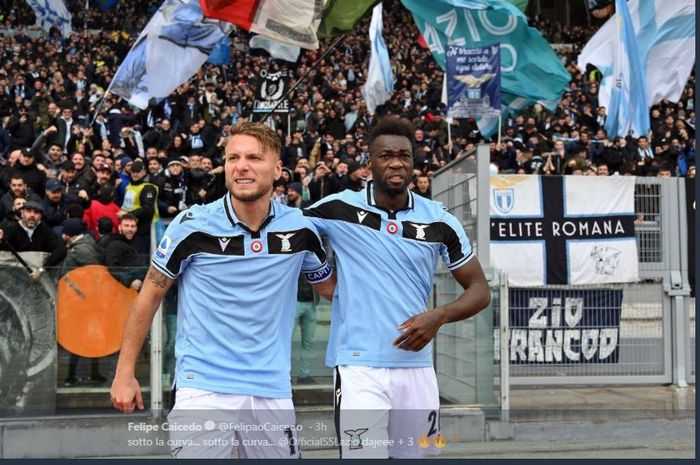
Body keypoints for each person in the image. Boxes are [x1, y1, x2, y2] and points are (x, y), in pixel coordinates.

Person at [110, 122, 336, 459]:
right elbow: (150, 296)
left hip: (271, 387)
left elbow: (333, 290)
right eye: (233, 158)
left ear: (278, 170)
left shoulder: (301, 229)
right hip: (202, 386)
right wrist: (124, 373)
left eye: (254, 158)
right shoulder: (192, 225)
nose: (241, 165)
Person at [304, 118, 491, 459]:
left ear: (413, 162)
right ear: (369, 162)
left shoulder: (439, 220)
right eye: (385, 155)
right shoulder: (337, 208)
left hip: (417, 368)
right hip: (359, 367)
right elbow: (290, 235)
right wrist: (323, 278)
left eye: (404, 155)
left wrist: (440, 315)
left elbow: (480, 289)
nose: (395, 162)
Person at [59, 218, 106, 386]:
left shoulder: (81, 251)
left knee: (79, 339)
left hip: (83, 303)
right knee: (89, 338)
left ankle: (72, 376)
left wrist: (82, 294)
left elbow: (95, 273)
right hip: (85, 302)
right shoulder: (80, 247)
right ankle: (92, 374)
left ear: (69, 234)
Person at [0, 200, 67, 279]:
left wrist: (42, 269)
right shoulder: (10, 229)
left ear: (41, 216)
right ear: (22, 214)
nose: (32, 215)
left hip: (39, 279)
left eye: (36, 212)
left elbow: (61, 249)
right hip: (14, 278)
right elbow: (4, 246)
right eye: (28, 211)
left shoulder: (46, 231)